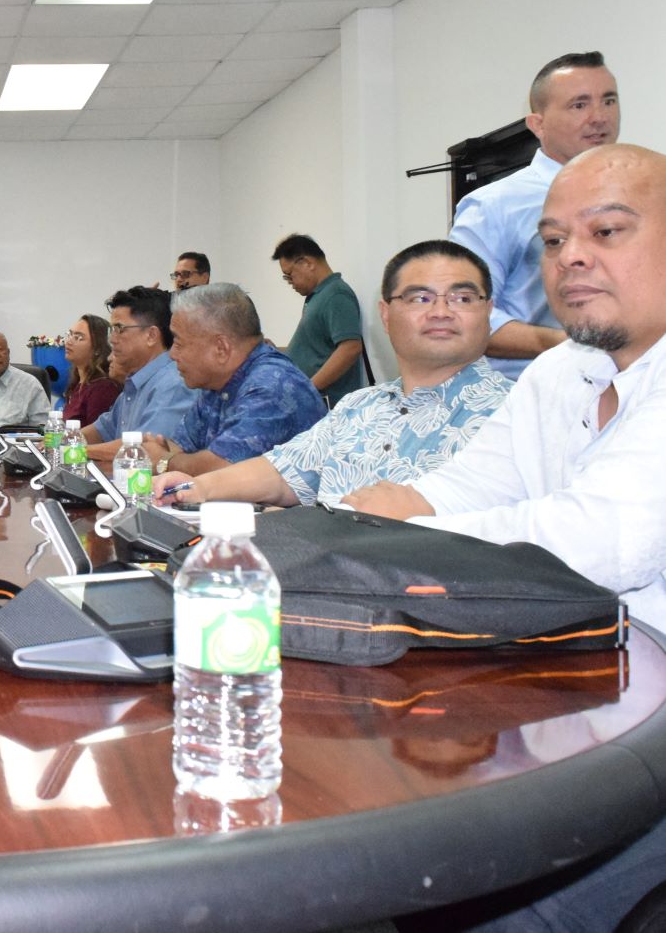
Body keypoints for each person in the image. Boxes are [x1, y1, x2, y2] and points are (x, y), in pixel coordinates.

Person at [345, 145, 666, 933]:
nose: (572, 259)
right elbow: (466, 490)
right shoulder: (563, 371)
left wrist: (411, 526)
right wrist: (391, 513)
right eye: (553, 240)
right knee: (411, 837)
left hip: (645, 705)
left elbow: (605, 540)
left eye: (607, 231)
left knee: (489, 901)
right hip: (585, 669)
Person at [153, 240, 509, 507]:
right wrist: (195, 488)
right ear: (385, 315)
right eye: (420, 299)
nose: (441, 311)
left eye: (462, 298)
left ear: (489, 311)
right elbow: (282, 472)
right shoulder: (359, 406)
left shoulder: (516, 413)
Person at [449, 51, 619, 380]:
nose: (599, 117)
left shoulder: (642, 194)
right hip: (534, 395)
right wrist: (570, 344)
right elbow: (464, 313)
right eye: (579, 105)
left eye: (609, 101)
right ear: (536, 124)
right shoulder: (493, 206)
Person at [143, 283, 325, 476]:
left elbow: (223, 469)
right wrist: (165, 456)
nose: (172, 354)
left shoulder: (271, 385)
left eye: (178, 343)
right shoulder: (217, 383)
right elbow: (179, 447)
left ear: (221, 348)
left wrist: (165, 461)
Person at [79, 286, 198, 463]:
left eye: (119, 328)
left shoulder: (174, 384)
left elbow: (143, 451)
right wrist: (56, 441)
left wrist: (75, 450)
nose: (111, 339)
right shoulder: (136, 384)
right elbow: (101, 430)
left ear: (151, 335)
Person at [271, 233, 367, 405]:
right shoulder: (318, 296)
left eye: (289, 275)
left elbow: (350, 348)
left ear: (307, 263)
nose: (290, 282)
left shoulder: (336, 294)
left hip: (330, 404)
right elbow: (316, 350)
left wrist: (309, 388)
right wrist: (277, 351)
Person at [60, 313, 120, 426]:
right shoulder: (78, 384)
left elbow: (98, 436)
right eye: (70, 334)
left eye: (78, 337)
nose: (68, 342)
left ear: (97, 348)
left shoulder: (103, 388)